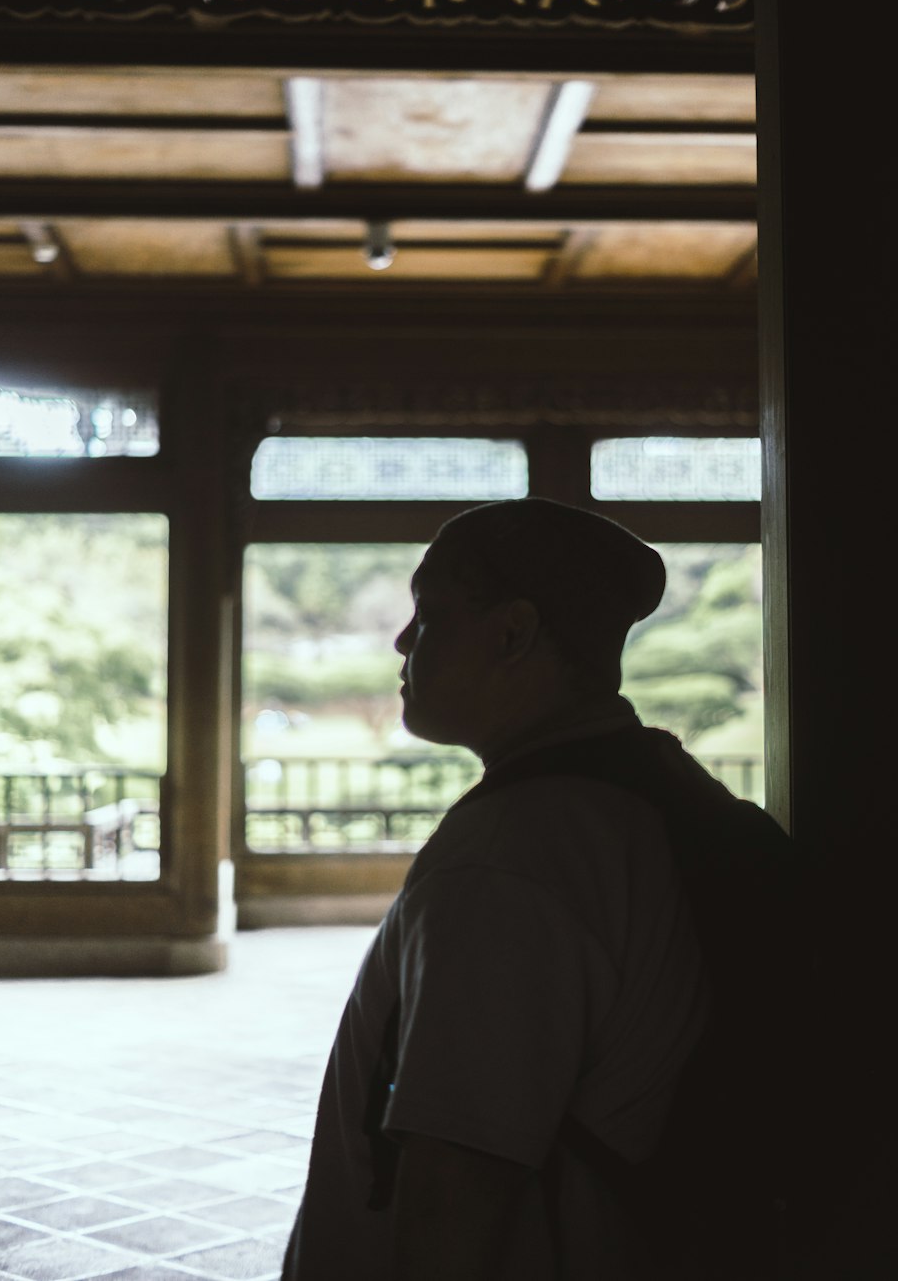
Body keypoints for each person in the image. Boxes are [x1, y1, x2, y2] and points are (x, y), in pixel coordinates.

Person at [280, 497, 767, 1281]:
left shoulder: (513, 855)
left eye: (428, 615)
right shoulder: (657, 794)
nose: (403, 642)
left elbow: (455, 1200)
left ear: (512, 633)